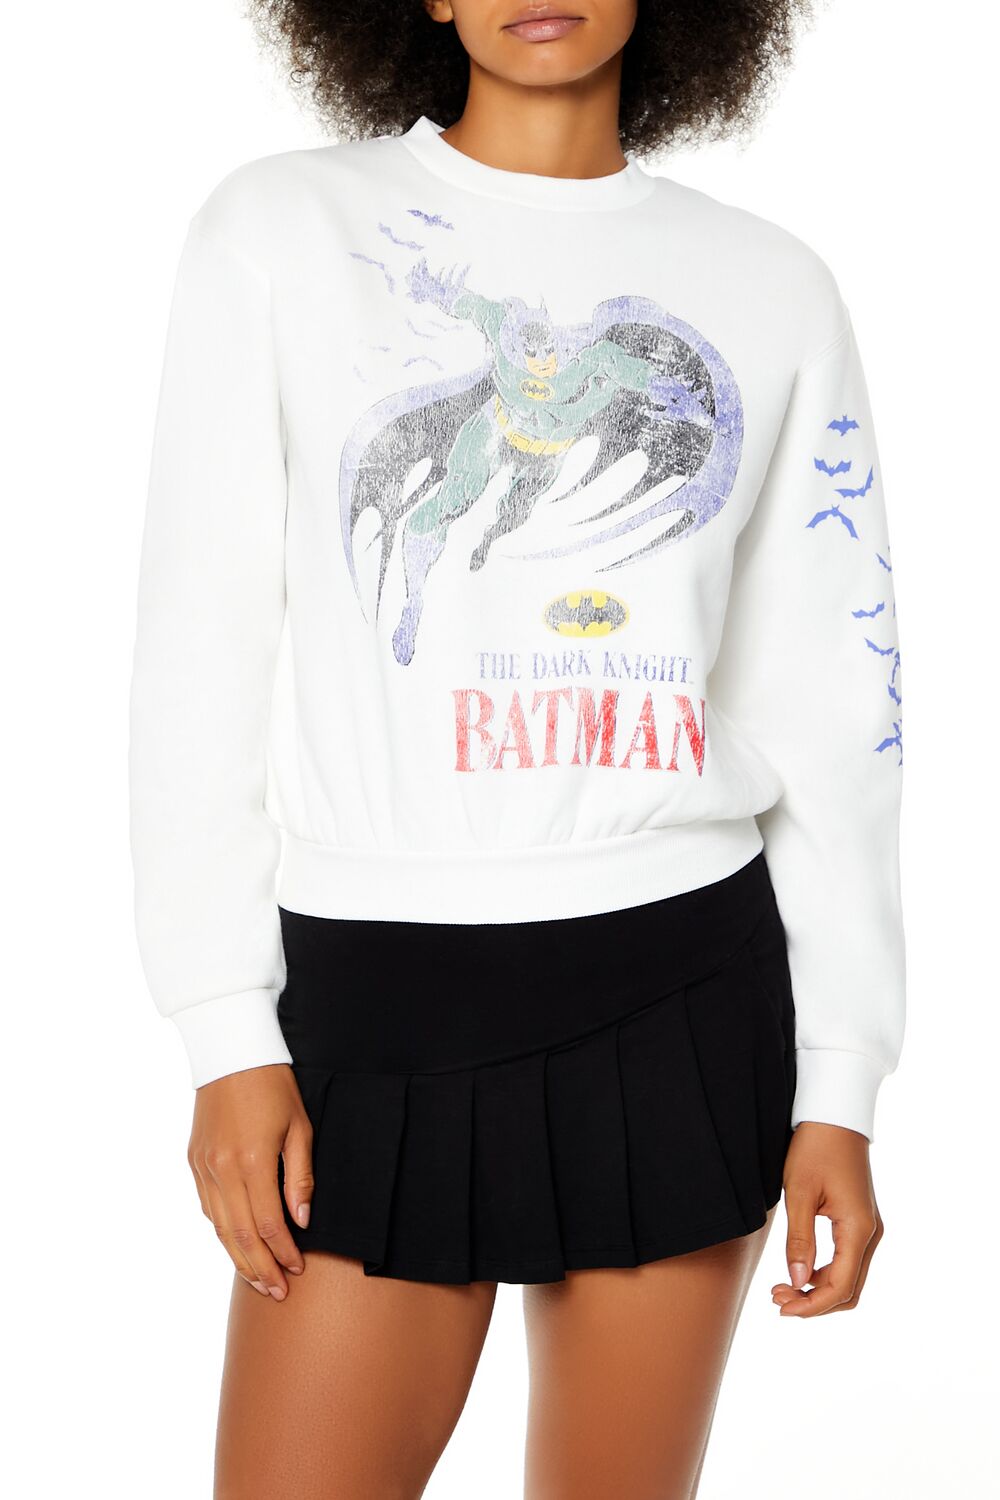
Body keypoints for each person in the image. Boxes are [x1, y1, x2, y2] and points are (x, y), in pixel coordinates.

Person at [127, 3, 906, 1496]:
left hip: (682, 994)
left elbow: (834, 713)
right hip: (377, 995)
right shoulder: (279, 233)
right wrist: (226, 1031)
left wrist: (842, 1079)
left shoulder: (771, 287)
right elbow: (195, 654)